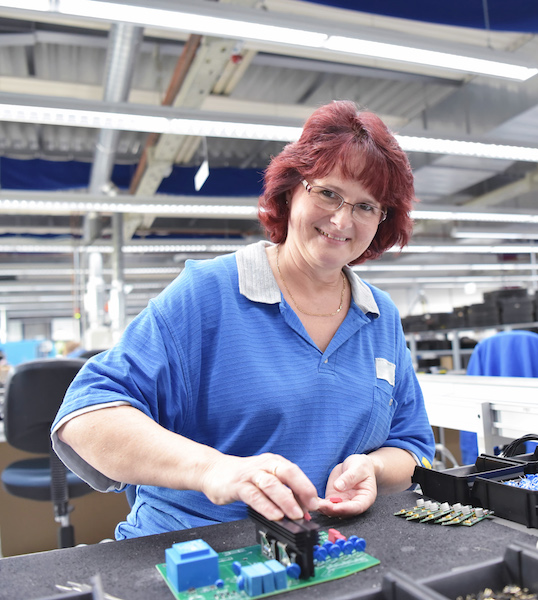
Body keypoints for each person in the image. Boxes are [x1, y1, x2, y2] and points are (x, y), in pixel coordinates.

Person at [50, 100, 435, 539]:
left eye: (367, 207)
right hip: (194, 549)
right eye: (328, 192)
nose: (343, 219)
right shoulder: (208, 294)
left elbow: (413, 446)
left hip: (328, 550)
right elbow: (87, 418)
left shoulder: (379, 315)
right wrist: (214, 469)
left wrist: (374, 468)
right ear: (291, 190)